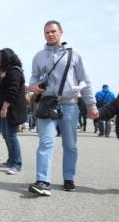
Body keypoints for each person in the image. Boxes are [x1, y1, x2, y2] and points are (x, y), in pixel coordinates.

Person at [28, 20, 98, 196]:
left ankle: (68, 177)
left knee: (70, 145)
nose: (50, 35)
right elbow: (33, 78)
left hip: (69, 104)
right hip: (46, 103)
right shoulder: (38, 56)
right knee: (45, 142)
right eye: (46, 32)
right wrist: (33, 86)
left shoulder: (74, 55)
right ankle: (43, 181)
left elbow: (86, 81)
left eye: (53, 31)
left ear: (61, 32)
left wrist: (91, 105)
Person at [0, 48, 26, 175]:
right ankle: (11, 159)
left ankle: (17, 164)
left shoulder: (15, 71)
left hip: (11, 110)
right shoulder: (7, 71)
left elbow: (12, 92)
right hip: (6, 109)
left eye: (0, 57)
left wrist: (4, 108)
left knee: (11, 136)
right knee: (6, 135)